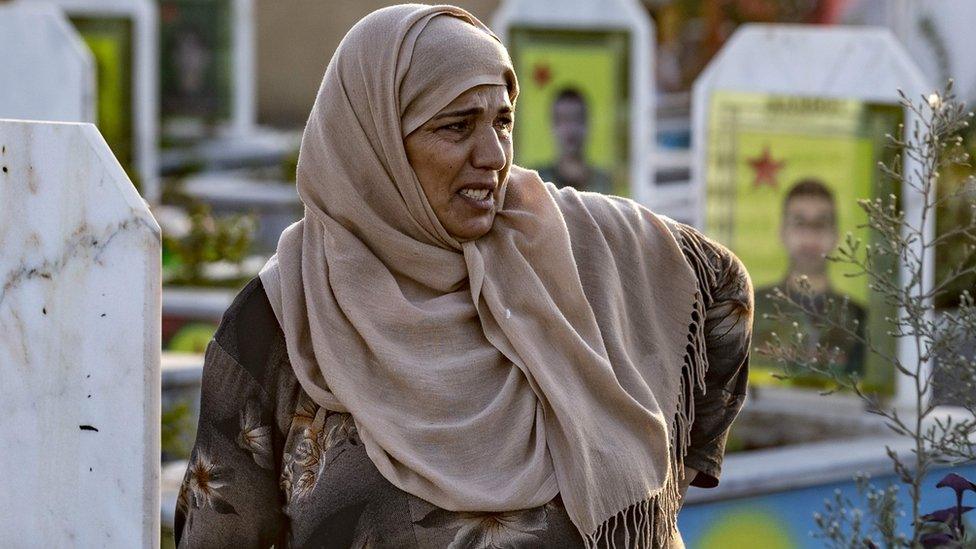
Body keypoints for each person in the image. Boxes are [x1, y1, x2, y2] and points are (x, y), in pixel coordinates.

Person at [175, 5, 752, 548]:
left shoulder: (560, 246)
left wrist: (676, 469)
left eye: (503, 122)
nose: (495, 156)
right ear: (375, 144)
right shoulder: (283, 318)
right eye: (456, 127)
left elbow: (722, 286)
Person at [754, 179, 866, 378]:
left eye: (821, 223)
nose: (810, 234)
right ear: (782, 233)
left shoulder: (858, 318)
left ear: (836, 235)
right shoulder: (749, 309)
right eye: (799, 222)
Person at [536, 88, 614, 194]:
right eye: (563, 119)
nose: (571, 128)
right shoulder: (538, 182)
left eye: (577, 119)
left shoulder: (605, 183)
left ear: (588, 124)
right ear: (552, 126)